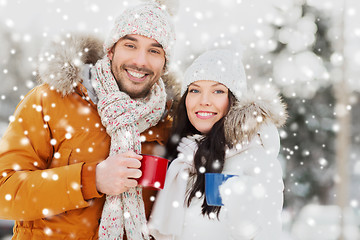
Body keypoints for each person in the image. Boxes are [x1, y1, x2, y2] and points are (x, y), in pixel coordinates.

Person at [0, 1, 177, 239]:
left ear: (164, 63)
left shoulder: (169, 120)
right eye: (130, 45)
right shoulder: (50, 100)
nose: (140, 61)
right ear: (111, 50)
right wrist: (90, 179)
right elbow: (5, 192)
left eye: (154, 50)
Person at [148, 49, 288, 239]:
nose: (204, 101)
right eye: (195, 90)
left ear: (234, 101)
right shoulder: (181, 158)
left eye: (218, 91)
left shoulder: (255, 162)